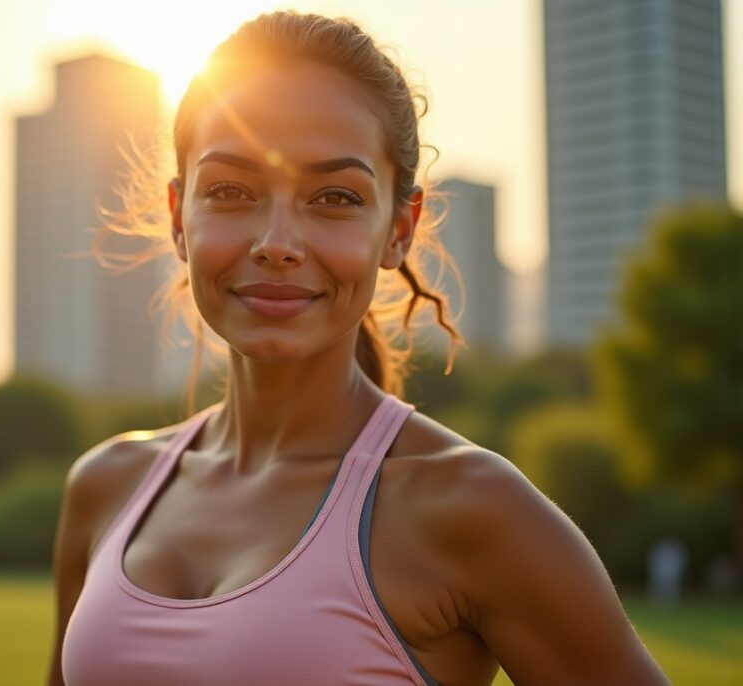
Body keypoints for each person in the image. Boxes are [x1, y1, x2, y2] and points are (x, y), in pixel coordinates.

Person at [48, 11, 670, 685]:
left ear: (398, 230)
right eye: (230, 190)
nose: (276, 241)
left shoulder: (471, 508)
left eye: (335, 197)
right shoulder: (106, 485)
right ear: (178, 217)